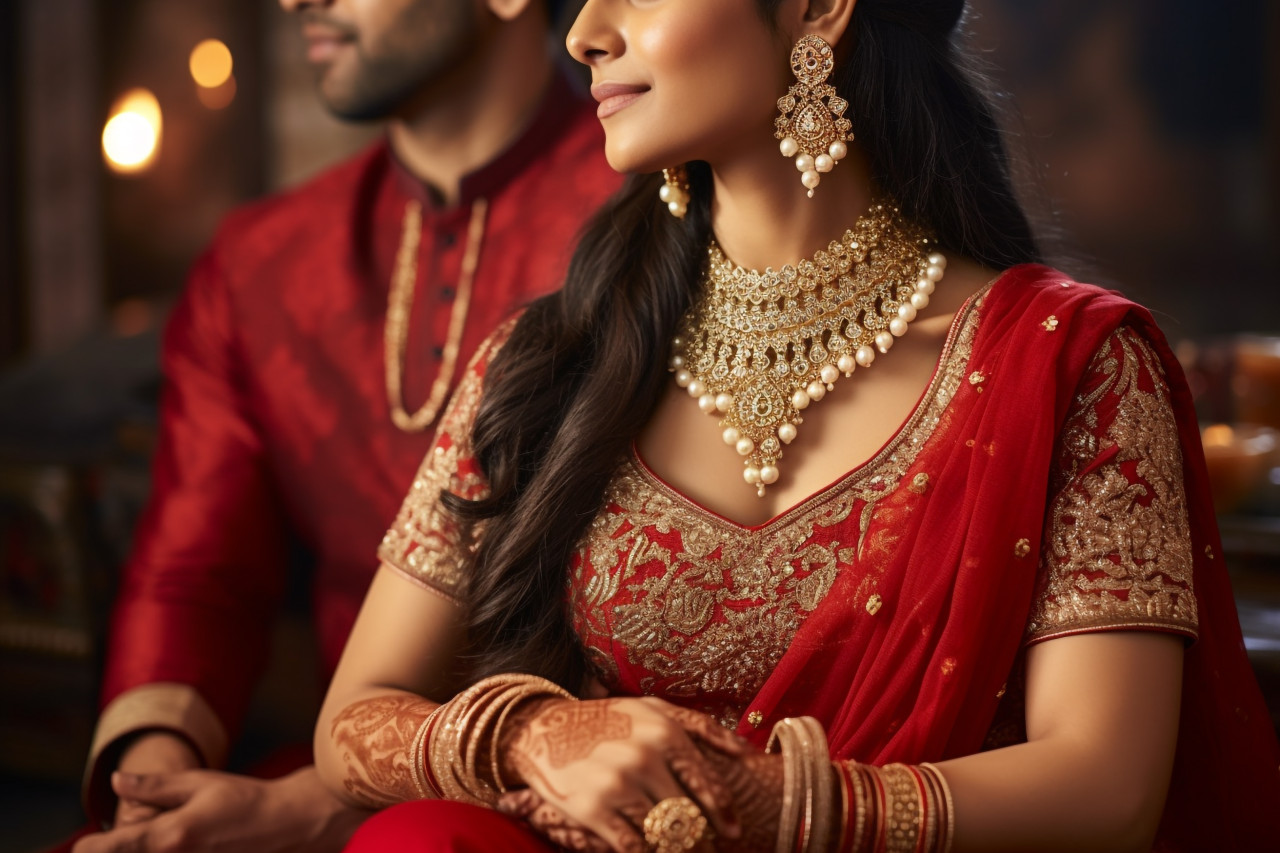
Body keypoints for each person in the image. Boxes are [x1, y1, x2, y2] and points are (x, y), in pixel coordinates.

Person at [316, 0, 1280, 851]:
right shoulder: (545, 364)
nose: (584, 34)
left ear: (819, 8)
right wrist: (535, 734)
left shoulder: (1070, 366)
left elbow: (1104, 786)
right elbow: (350, 722)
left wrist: (775, 808)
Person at [67, 0, 619, 851]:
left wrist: (323, 806)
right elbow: (198, 572)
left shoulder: (661, 212)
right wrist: (154, 785)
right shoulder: (262, 262)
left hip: (589, 791)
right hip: (312, 775)